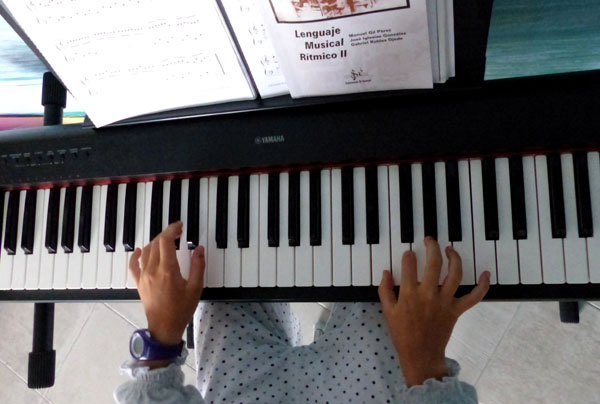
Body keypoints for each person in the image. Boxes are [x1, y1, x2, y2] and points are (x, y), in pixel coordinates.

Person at [115, 221, 490, 403]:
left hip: (242, 393)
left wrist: (161, 340)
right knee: (394, 266)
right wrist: (425, 364)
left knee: (220, 268)